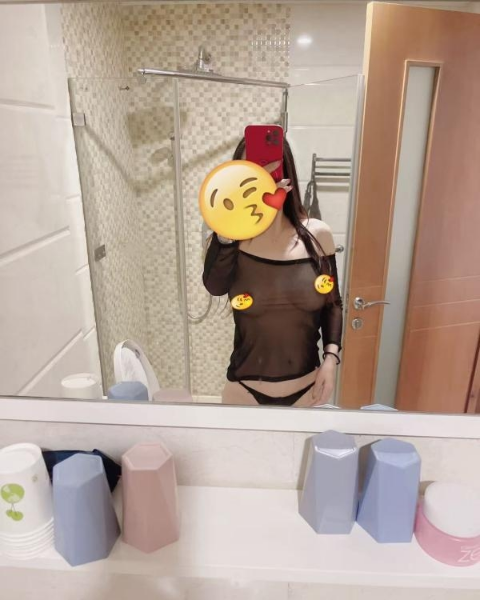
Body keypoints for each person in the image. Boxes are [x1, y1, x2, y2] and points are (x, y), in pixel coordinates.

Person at [202, 137, 343, 407]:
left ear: (285, 171)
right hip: (244, 393)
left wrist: (331, 359)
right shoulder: (229, 241)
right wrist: (228, 226)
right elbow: (215, 287)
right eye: (249, 170)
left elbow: (332, 304)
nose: (258, 177)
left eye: (267, 168)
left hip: (309, 390)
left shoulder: (318, 235)